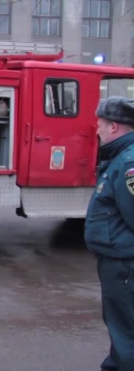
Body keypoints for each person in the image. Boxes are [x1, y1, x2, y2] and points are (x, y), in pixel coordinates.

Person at [85, 96, 134, 370]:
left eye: (100, 125)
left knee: (126, 331)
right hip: (119, 263)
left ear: (114, 127)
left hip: (124, 265)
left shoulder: (128, 164)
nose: (97, 130)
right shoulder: (122, 159)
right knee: (121, 327)